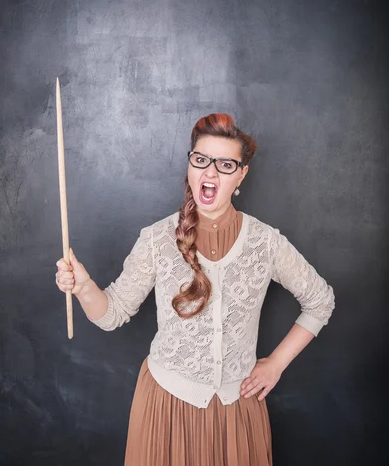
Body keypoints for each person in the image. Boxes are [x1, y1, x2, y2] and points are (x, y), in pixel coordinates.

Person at [56, 113, 335, 466]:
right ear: (190, 165)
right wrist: (83, 287)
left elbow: (320, 301)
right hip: (166, 411)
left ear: (242, 174)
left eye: (225, 164)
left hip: (238, 414)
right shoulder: (157, 238)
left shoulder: (266, 243)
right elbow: (111, 314)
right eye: (201, 160)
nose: (210, 172)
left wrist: (276, 364)